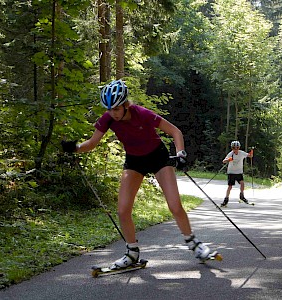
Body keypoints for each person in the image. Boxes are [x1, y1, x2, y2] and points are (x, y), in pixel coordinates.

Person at [62, 79, 212, 269]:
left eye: (116, 109)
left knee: (174, 205)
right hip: (134, 161)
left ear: (125, 104)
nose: (112, 113)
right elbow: (91, 143)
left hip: (158, 157)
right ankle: (132, 253)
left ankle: (194, 244)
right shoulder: (108, 119)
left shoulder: (142, 114)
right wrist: (74, 148)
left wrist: (181, 153)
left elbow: (175, 131)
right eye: (109, 109)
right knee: (123, 210)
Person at [221, 140, 253, 207]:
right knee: (230, 186)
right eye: (234, 148)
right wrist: (228, 160)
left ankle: (242, 196)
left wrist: (251, 153)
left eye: (237, 148)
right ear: (232, 148)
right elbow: (224, 161)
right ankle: (226, 199)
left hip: (239, 172)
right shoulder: (231, 154)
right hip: (231, 172)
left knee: (242, 183)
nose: (235, 149)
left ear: (239, 148)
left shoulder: (241, 153)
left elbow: (249, 156)